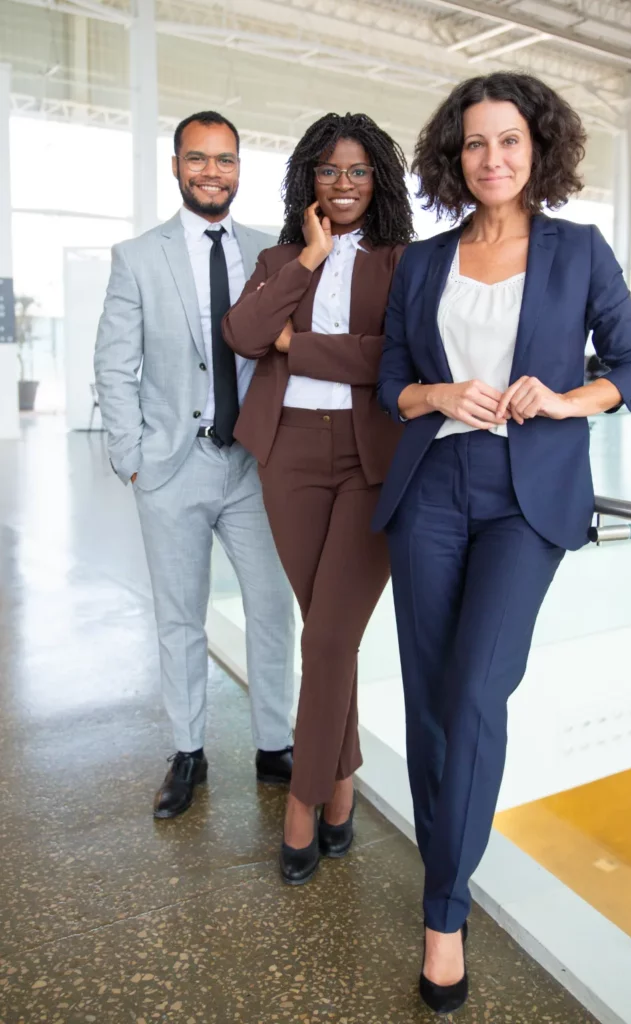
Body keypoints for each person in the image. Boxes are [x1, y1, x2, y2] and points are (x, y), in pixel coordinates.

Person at [373, 73, 631, 1014]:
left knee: (474, 689)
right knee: (427, 703)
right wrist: (439, 394)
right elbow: (390, 382)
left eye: (508, 142)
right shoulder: (424, 262)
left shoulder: (576, 250)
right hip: (430, 490)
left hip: (524, 498)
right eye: (473, 145)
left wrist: (564, 396)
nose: (491, 159)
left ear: (537, 150)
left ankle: (444, 907)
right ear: (453, 159)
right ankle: (442, 904)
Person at [224, 112, 413, 884]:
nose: (343, 185)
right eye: (330, 171)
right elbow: (242, 333)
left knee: (329, 639)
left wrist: (298, 347)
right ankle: (342, 788)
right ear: (308, 179)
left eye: (358, 172)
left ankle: (304, 805)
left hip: (372, 460)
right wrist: (308, 258)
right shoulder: (279, 257)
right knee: (326, 634)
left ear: (379, 182)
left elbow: (393, 357)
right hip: (289, 456)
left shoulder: (405, 263)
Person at [94, 111, 295, 821]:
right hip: (172, 468)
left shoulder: (274, 253)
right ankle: (188, 751)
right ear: (176, 166)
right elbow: (114, 367)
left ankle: (276, 745)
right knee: (181, 619)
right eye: (198, 159)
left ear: (240, 168)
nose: (212, 172)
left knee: (273, 609)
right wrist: (131, 459)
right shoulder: (137, 257)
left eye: (226, 160)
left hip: (255, 466)